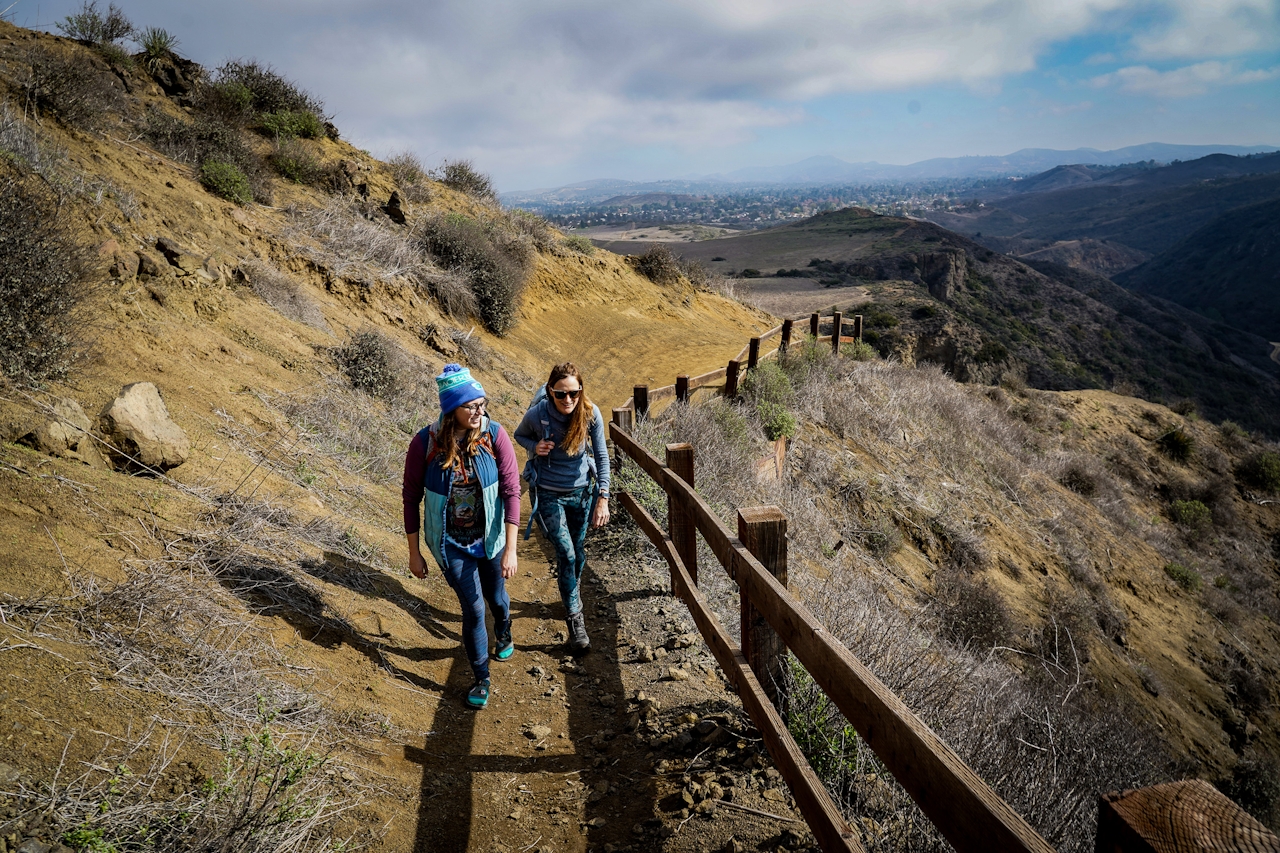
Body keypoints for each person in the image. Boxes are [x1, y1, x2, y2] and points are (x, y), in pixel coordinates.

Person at [403, 363, 520, 708]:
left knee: (496, 598)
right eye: (472, 406)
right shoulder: (424, 443)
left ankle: (504, 626)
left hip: (491, 540)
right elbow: (411, 497)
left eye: (481, 404)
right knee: (472, 607)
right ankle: (481, 677)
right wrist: (414, 552)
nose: (479, 411)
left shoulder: (495, 435)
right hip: (450, 544)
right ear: (452, 408)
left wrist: (511, 549)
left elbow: (512, 491)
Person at [514, 362, 611, 652]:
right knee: (566, 553)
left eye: (574, 393)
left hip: (582, 494)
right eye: (560, 394)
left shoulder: (591, 415)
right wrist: (535, 447)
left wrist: (603, 498)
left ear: (581, 391)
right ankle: (575, 618)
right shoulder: (538, 415)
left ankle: (571, 594)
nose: (567, 400)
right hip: (548, 494)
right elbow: (520, 435)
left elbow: (603, 457)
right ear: (550, 391)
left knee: (578, 551)